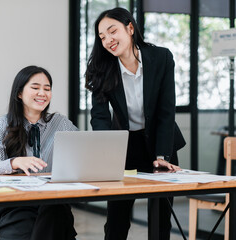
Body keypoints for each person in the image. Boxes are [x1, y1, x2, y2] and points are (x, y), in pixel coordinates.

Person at [85, 7, 186, 240]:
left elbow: (166, 111)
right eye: (102, 38)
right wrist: (107, 152)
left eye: (112, 32)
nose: (108, 40)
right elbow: (99, 117)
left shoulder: (161, 58)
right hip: (125, 145)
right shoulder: (101, 69)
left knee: (161, 218)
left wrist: (163, 156)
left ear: (130, 28)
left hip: (160, 142)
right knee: (117, 218)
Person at [0, 65, 78, 240]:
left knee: (55, 209)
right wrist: (14, 162)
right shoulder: (1, 125)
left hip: (52, 202)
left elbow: (83, 152)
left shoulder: (60, 123)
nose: (42, 93)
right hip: (15, 205)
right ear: (19, 93)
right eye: (35, 87)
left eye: (47, 89)